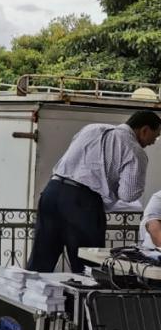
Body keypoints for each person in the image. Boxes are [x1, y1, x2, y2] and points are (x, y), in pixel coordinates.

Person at [28, 110, 161, 273]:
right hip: (83, 203)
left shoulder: (91, 129)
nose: (153, 142)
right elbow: (129, 194)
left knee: (41, 260)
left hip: (52, 191)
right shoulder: (135, 150)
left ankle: (28, 294)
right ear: (144, 130)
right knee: (88, 265)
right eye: (154, 136)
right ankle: (84, 299)